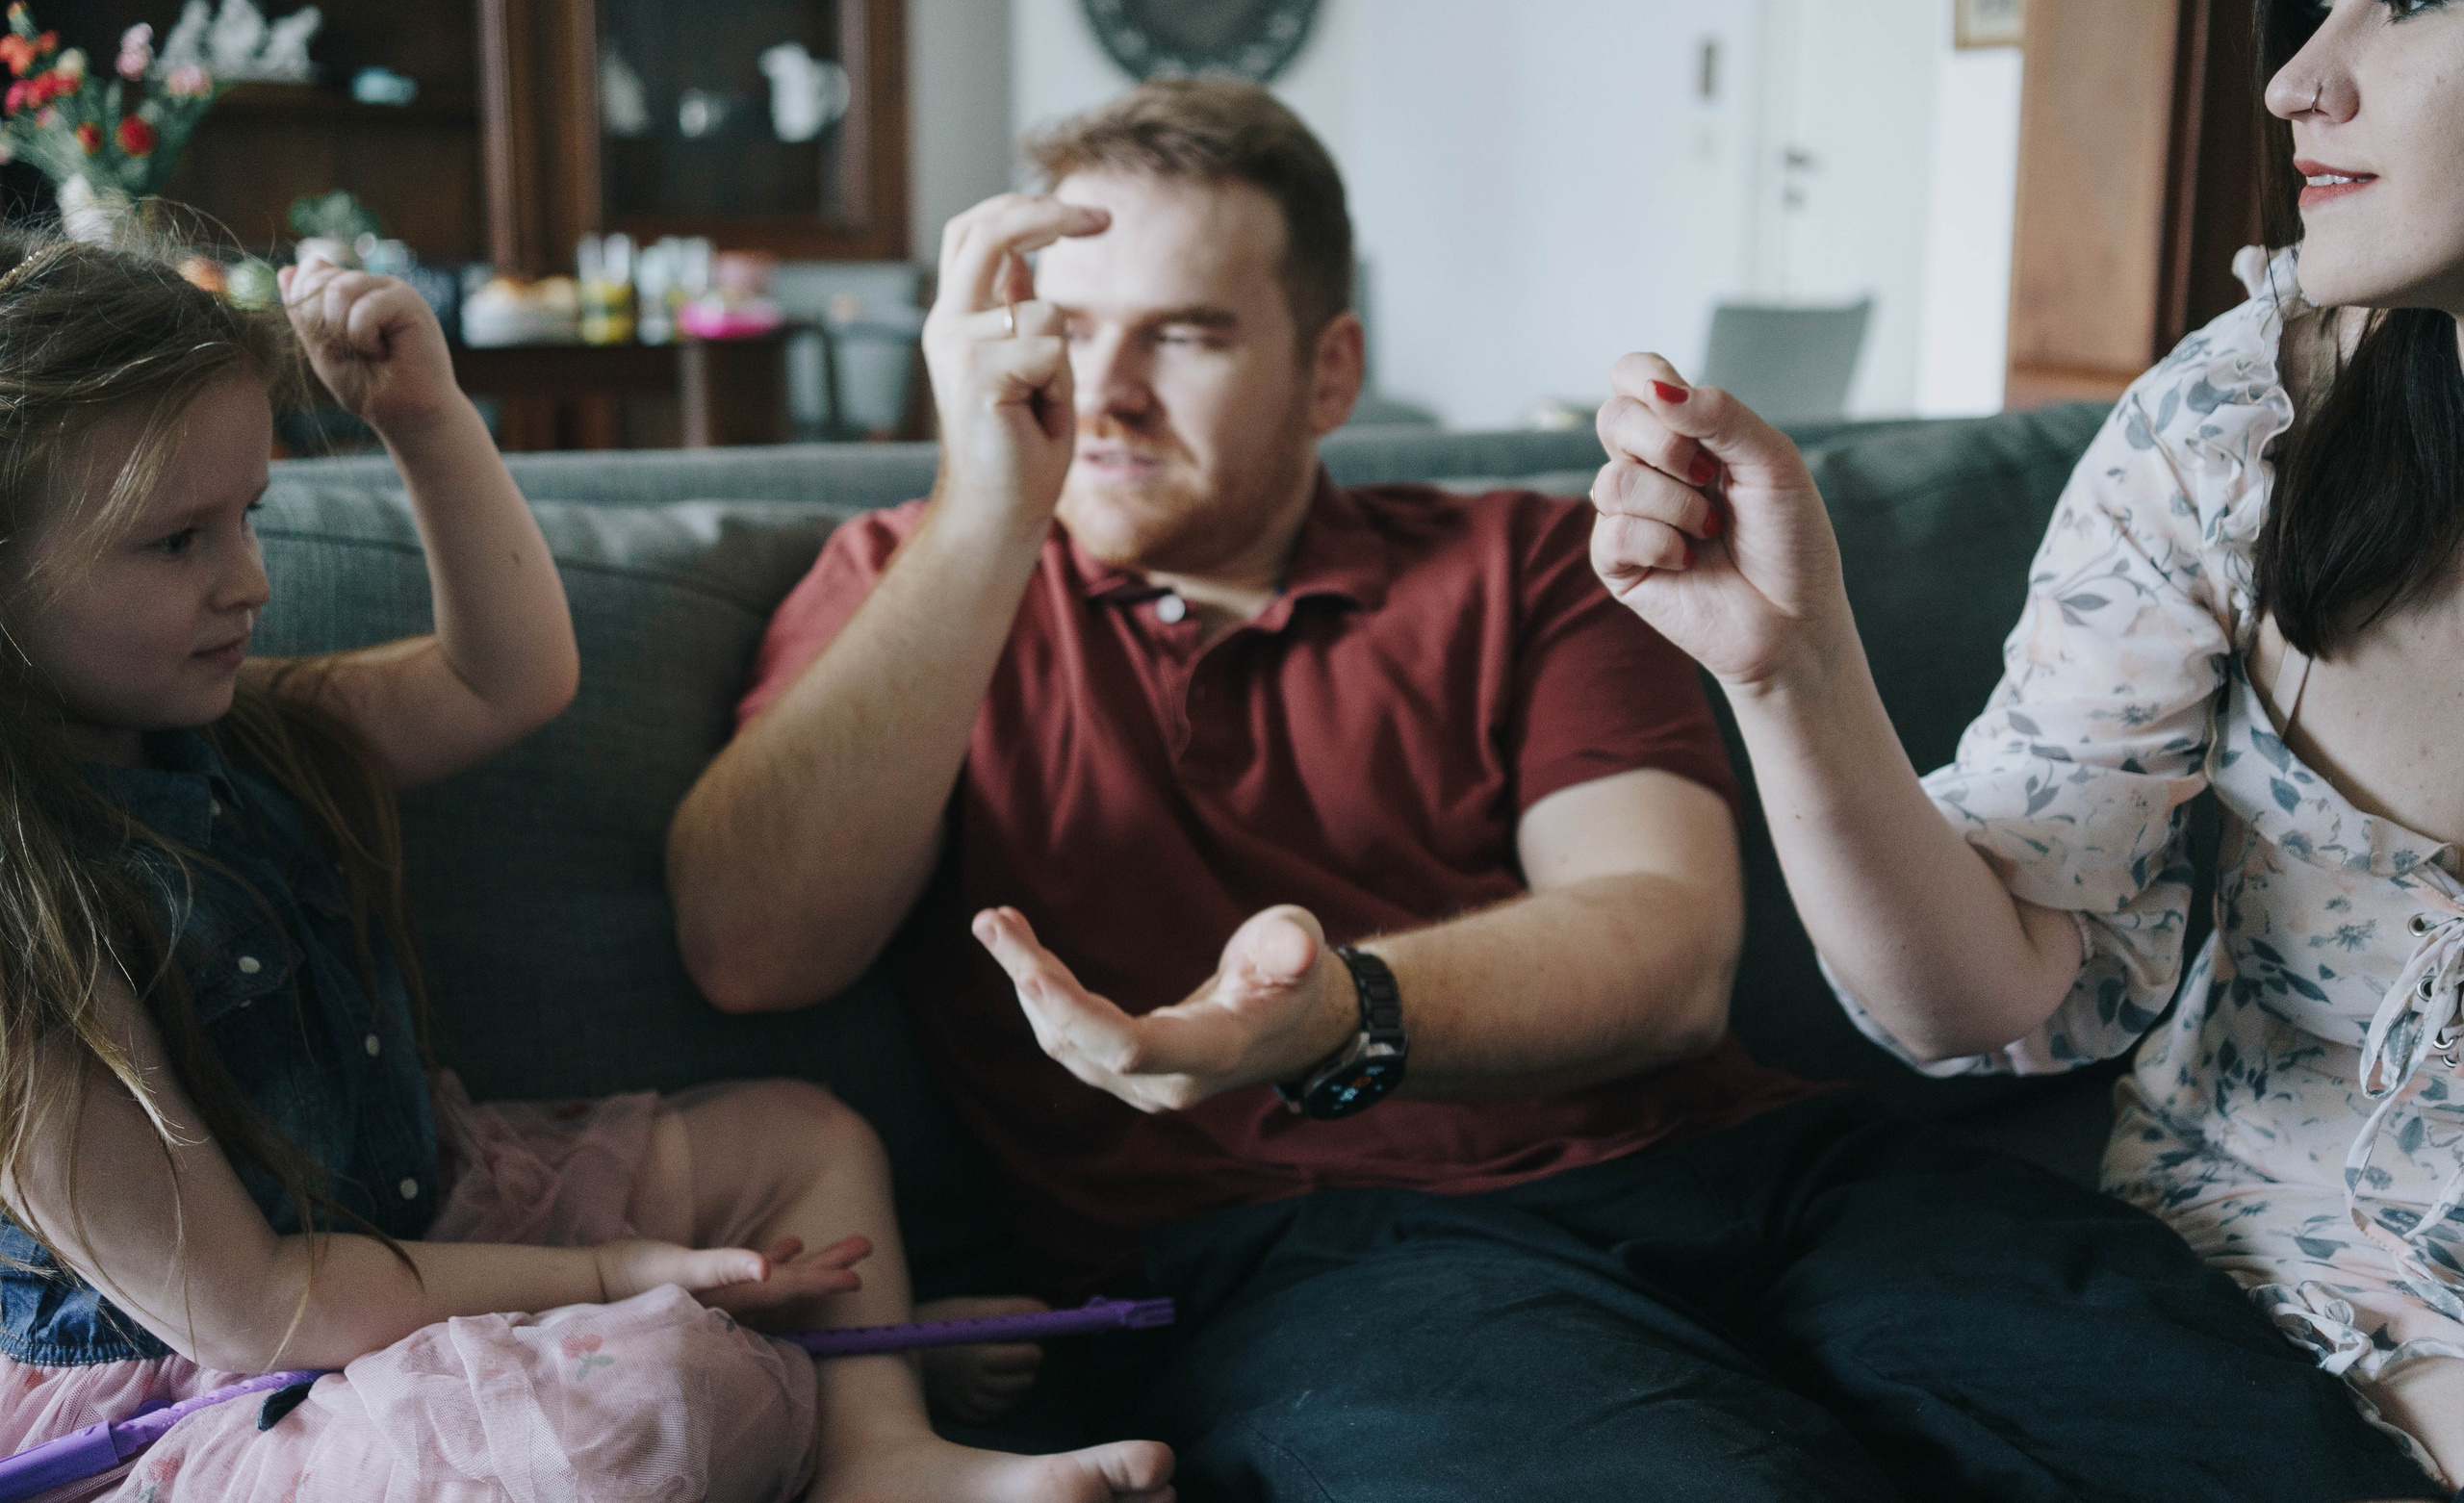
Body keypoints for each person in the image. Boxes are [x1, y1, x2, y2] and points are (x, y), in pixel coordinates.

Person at [668, 76, 2426, 1499]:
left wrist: (1341, 1012)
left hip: (1759, 1171)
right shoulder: (908, 580)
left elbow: (1661, 950)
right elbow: (755, 948)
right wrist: (989, 509)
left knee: (2251, 1459)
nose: (1105, 390)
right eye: (1067, 329)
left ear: (1328, 371)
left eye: (1187, 335)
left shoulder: (1524, 562)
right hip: (1304, 1253)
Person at [0, 229, 1173, 1503]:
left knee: (808, 1140)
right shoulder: (21, 928)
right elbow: (258, 1310)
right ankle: (756, 1350)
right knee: (625, 1424)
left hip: (416, 1229)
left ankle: (880, 1453)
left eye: (250, 517)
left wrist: (428, 419)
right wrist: (618, 1277)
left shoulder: (244, 731)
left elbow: (505, 678)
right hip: (214, 1374)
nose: (252, 580)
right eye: (178, 542)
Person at [1588, 0, 2464, 1490]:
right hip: (2248, 1316)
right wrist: (1790, 669)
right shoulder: (2227, 434)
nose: (2295, 78)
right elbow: (1984, 989)